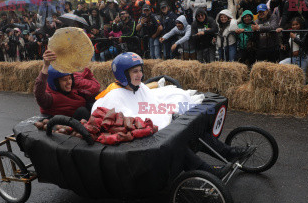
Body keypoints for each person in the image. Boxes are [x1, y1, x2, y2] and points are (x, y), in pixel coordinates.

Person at [91, 53, 254, 178]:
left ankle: (229, 153)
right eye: (135, 72)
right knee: (177, 141)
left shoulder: (139, 87)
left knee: (191, 130)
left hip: (152, 133)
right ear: (122, 74)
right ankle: (208, 172)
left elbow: (154, 104)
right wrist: (165, 119)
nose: (140, 75)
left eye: (140, 70)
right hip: (137, 146)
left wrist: (171, 111)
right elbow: (129, 122)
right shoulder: (114, 96)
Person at [34, 49, 101, 120]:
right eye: (64, 80)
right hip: (65, 125)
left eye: (69, 78)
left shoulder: (73, 89)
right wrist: (45, 66)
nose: (69, 82)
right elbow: (39, 94)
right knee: (82, 111)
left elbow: (93, 89)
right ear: (55, 83)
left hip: (81, 120)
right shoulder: (50, 98)